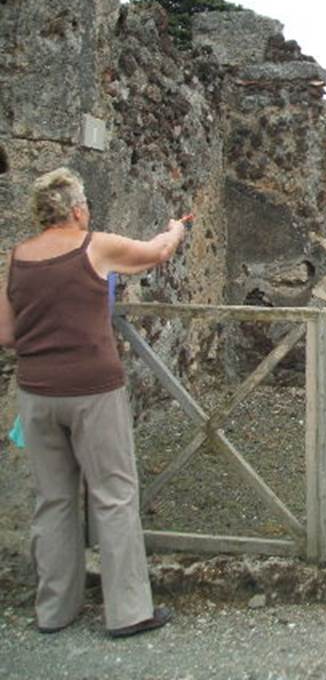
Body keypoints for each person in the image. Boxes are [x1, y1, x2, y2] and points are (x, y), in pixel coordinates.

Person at [0, 167, 188, 638]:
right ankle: (127, 612)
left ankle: (54, 611)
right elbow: (156, 254)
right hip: (92, 389)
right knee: (115, 495)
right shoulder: (94, 245)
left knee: (54, 500)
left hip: (36, 393)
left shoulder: (16, 256)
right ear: (79, 208)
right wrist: (176, 229)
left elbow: (6, 334)